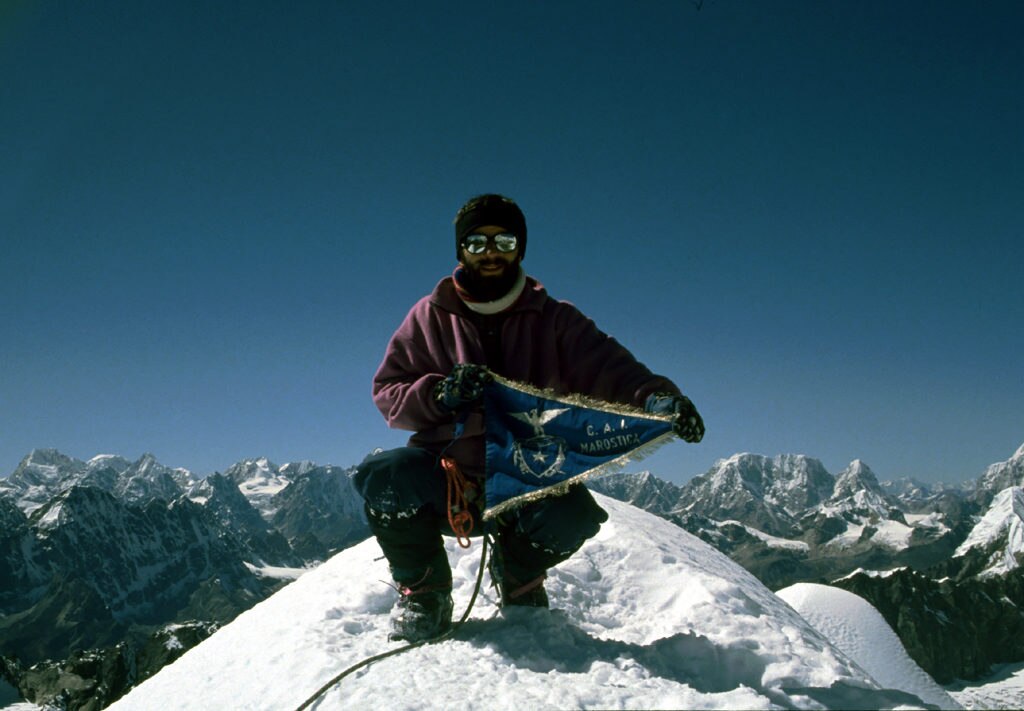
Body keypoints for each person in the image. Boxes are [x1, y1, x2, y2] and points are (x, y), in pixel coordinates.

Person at [353, 194, 704, 642]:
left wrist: (660, 401)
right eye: (477, 243)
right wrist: (440, 394)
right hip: (451, 479)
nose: (491, 252)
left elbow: (614, 371)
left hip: (528, 477)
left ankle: (517, 574)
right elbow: (389, 391)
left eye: (503, 240)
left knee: (574, 515)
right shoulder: (429, 317)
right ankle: (425, 592)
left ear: (520, 247)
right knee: (384, 477)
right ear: (460, 251)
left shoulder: (555, 321)